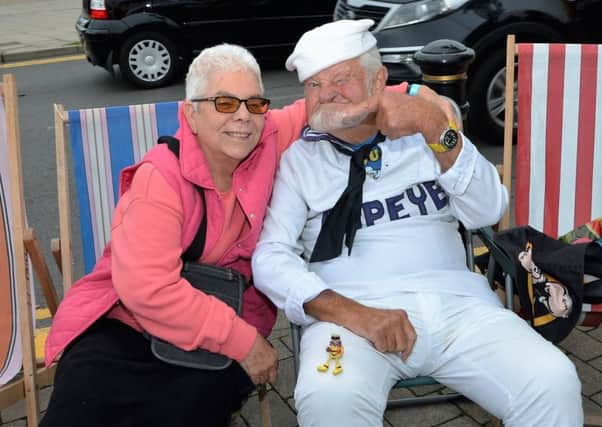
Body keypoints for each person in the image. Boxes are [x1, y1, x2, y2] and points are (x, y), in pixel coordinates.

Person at [41, 42, 458, 426]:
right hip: (126, 327)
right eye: (224, 102)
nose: (243, 116)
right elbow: (147, 289)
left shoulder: (267, 138)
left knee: (189, 405)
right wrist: (244, 343)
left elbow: (340, 98)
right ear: (191, 113)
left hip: (218, 326)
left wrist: (422, 98)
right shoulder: (160, 180)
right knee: (83, 406)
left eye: (254, 103)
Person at [252, 19, 583, 427]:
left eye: (341, 79)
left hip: (459, 309)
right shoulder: (300, 162)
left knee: (551, 380)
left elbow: (487, 209)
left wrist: (434, 128)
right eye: (313, 86)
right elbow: (270, 257)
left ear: (379, 82)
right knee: (329, 398)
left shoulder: (429, 133)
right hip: (350, 321)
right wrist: (351, 312)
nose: (326, 95)